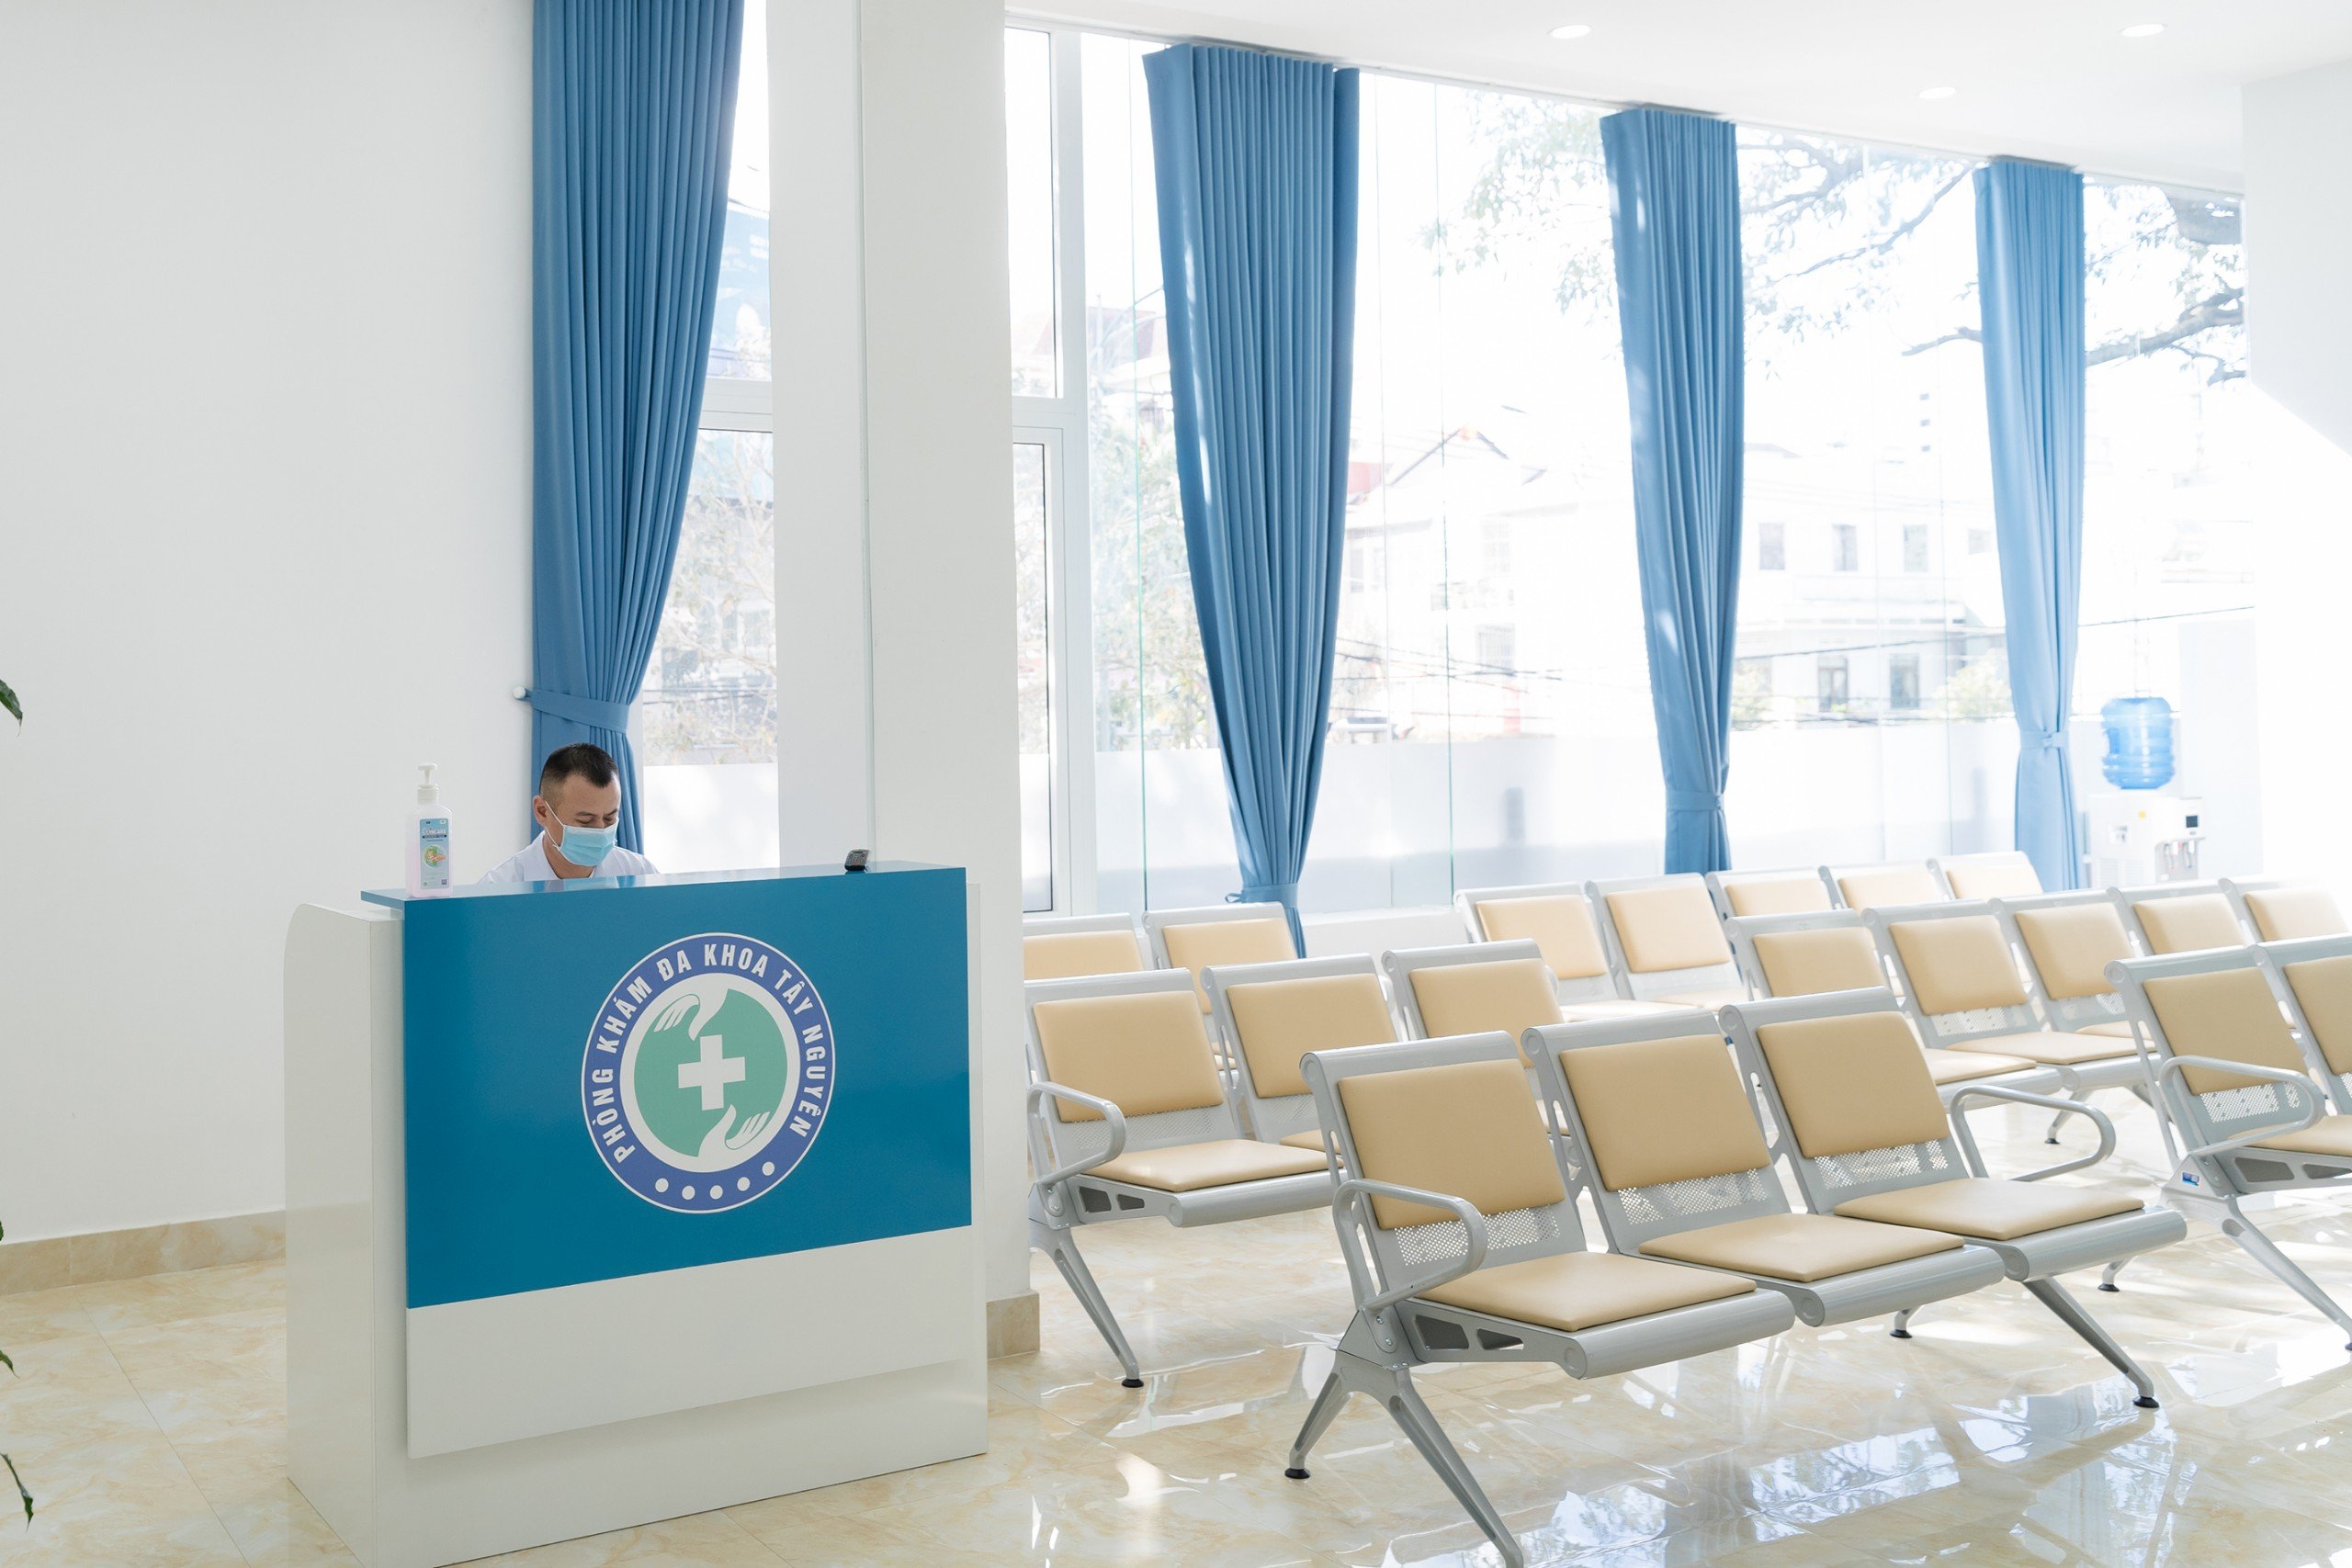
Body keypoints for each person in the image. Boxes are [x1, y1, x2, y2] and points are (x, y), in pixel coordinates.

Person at [481, 742, 660, 883]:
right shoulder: (499, 888)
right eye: (585, 821)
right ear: (542, 812)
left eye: (609, 818)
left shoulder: (641, 875)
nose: (601, 830)